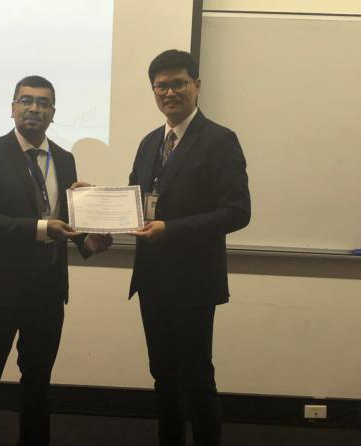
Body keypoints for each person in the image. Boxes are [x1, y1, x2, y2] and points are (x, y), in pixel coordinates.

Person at [0, 75, 111, 446]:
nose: (34, 108)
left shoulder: (65, 159)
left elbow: (65, 220)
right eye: (26, 101)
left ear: (53, 112)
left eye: (43, 103)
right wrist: (41, 228)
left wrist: (88, 241)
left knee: (38, 386)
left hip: (47, 292)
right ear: (12, 108)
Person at [129, 50, 251, 446]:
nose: (169, 93)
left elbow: (237, 212)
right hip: (152, 280)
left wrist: (171, 230)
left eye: (178, 84)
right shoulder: (149, 143)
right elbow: (134, 202)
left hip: (193, 281)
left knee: (197, 378)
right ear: (153, 91)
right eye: (161, 86)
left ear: (196, 85)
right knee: (162, 376)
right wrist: (92, 206)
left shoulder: (219, 140)